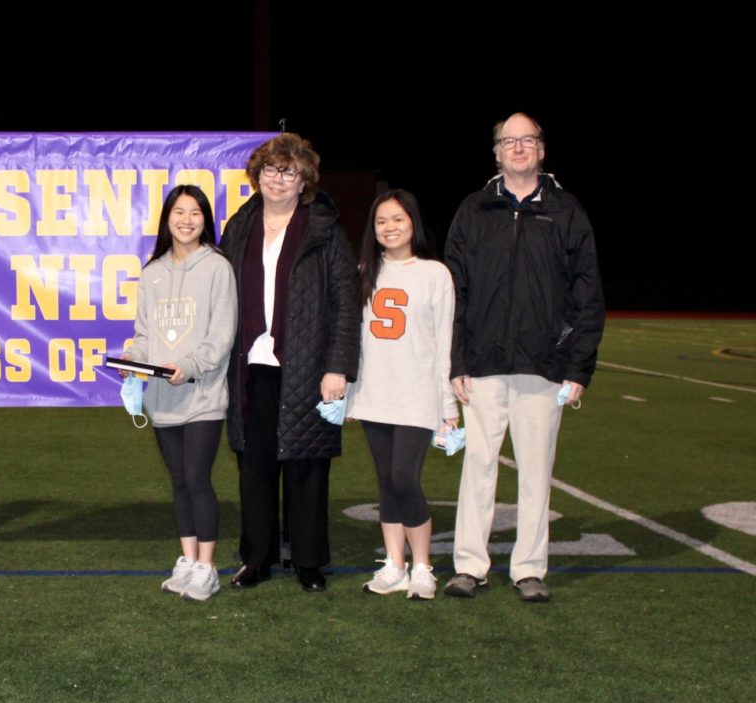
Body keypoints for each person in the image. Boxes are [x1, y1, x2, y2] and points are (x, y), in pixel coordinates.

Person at [443, 113, 605, 603]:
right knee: (479, 467)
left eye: (527, 140)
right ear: (495, 152)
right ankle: (470, 564)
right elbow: (454, 292)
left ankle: (529, 568)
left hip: (543, 366)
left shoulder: (567, 211)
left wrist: (577, 367)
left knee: (536, 471)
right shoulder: (474, 210)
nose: (518, 148)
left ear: (542, 150)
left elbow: (587, 294)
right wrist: (456, 361)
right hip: (484, 364)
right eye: (508, 141)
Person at [219, 132, 360, 592]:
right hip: (250, 365)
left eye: (288, 171)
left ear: (304, 181)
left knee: (307, 465)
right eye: (270, 170)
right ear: (256, 177)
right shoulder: (239, 227)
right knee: (254, 465)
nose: (278, 179)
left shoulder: (324, 230)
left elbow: (344, 302)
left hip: (308, 366)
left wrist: (337, 367)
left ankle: (308, 562)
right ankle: (256, 559)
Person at [119, 185, 237, 602]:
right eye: (179, 213)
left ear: (205, 220)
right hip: (162, 401)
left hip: (203, 395)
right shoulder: (152, 273)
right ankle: (187, 560)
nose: (186, 221)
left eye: (195, 214)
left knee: (197, 478)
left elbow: (221, 336)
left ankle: (208, 567)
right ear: (167, 219)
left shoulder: (217, 268)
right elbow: (145, 334)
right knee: (179, 482)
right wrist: (132, 362)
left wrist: (188, 366)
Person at [345, 190, 458, 601]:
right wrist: (351, 395)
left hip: (417, 395)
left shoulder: (434, 274)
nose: (389, 228)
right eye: (381, 221)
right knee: (386, 483)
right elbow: (353, 341)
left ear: (413, 222)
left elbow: (444, 342)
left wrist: (448, 405)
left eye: (397, 219)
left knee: (404, 479)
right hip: (375, 392)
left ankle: (424, 565)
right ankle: (395, 564)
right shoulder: (362, 271)